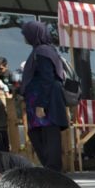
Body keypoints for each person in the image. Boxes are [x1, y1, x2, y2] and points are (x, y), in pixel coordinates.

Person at [19, 21, 68, 172]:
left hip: (44, 103)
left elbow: (48, 78)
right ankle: (51, 171)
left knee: (48, 137)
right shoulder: (44, 51)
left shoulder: (42, 52)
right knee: (40, 136)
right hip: (41, 102)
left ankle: (53, 172)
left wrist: (41, 104)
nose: (24, 38)